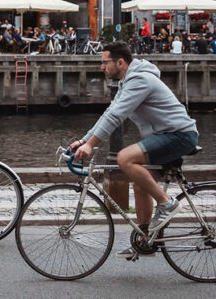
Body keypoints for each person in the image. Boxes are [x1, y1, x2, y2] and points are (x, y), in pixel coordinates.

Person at [70, 41, 198, 259]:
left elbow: (115, 116)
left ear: (120, 62)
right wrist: (84, 141)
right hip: (164, 136)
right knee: (140, 185)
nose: (101, 67)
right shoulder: (127, 82)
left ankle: (167, 203)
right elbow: (108, 113)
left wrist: (92, 144)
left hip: (179, 135)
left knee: (125, 158)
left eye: (104, 62)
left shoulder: (139, 80)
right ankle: (145, 240)